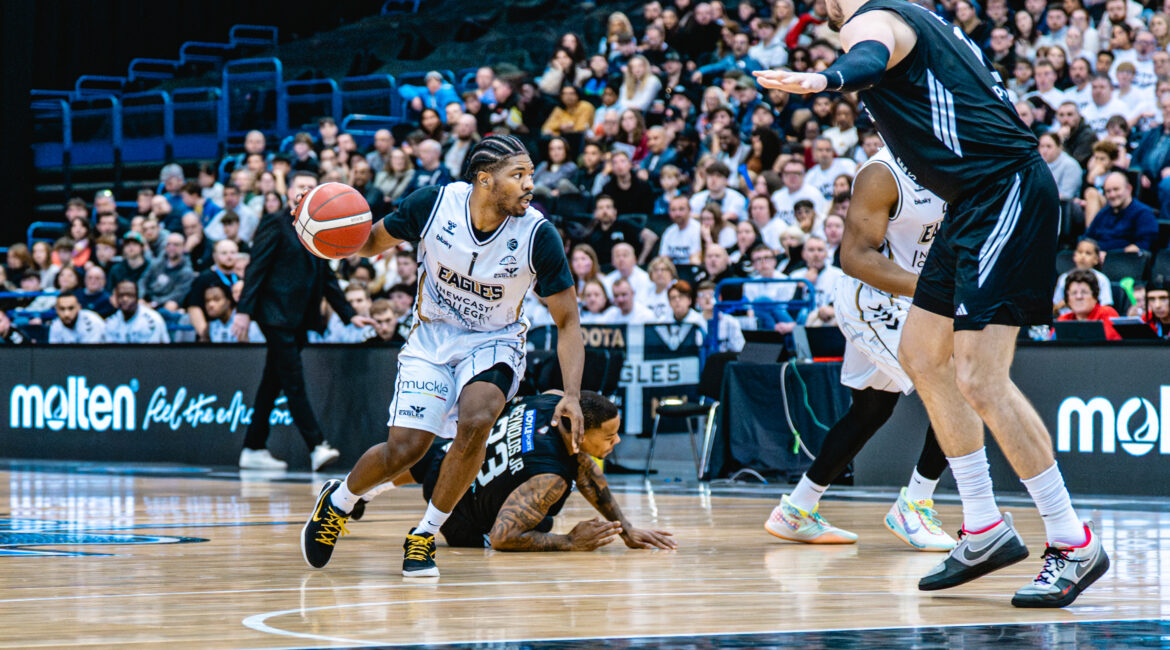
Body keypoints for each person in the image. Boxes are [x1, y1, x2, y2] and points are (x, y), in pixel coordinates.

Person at [755, 0, 1108, 607]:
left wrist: (825, 79)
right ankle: (982, 527)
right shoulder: (917, 15)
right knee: (922, 355)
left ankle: (1072, 541)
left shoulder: (872, 18)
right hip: (970, 203)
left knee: (980, 378)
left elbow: (868, 52)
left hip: (1004, 191)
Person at [299, 135, 585, 579]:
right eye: (519, 175)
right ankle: (339, 502)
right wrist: (320, 225)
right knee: (407, 450)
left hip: (495, 339)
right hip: (432, 335)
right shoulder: (433, 205)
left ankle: (425, 535)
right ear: (485, 180)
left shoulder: (538, 235)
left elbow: (568, 322)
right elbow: (370, 242)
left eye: (531, 174)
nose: (530, 184)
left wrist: (571, 394)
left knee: (477, 418)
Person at [766, 146, 954, 549]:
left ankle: (796, 510)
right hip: (875, 298)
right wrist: (934, 291)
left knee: (871, 409)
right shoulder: (882, 171)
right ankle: (914, 505)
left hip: (914, 298)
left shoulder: (950, 157)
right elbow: (853, 258)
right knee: (956, 391)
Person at [347, 391, 674, 552]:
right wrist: (569, 541)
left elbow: (584, 467)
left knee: (437, 459)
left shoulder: (554, 401)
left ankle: (361, 493)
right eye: (608, 436)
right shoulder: (550, 480)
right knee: (541, 522)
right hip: (459, 517)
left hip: (451, 460)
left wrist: (626, 529)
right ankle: (365, 494)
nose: (617, 440)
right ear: (578, 430)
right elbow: (505, 537)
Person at [233, 171, 375, 472]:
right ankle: (316, 445)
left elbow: (327, 280)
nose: (304, 191)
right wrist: (244, 310)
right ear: (289, 193)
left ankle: (253, 446)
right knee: (293, 381)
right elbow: (256, 267)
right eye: (300, 186)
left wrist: (350, 315)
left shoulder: (318, 229)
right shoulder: (276, 223)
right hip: (275, 315)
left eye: (311, 187)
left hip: (298, 319)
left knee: (272, 382)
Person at [1086, 172, 1159, 252]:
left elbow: (1144, 245)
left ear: (1129, 189)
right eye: (1108, 191)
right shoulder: (1102, 214)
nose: (1112, 195)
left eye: (1116, 189)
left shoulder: (1143, 214)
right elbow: (1087, 239)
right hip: (1096, 260)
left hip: (1125, 262)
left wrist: (1111, 257)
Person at [1054, 269, 1122, 339]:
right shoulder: (1063, 320)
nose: (1079, 297)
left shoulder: (1107, 313)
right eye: (1074, 293)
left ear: (1095, 296)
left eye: (1084, 292)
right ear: (1067, 299)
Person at [1053, 238, 1113, 314]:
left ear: (1096, 259)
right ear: (1074, 256)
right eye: (1080, 252)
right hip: (1066, 321)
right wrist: (1066, 302)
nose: (1083, 256)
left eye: (1088, 253)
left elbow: (1106, 306)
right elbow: (1054, 308)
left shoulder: (1102, 279)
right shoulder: (1063, 278)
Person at [139, 233, 196, 313]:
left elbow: (177, 295)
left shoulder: (187, 272)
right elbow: (143, 280)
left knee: (171, 305)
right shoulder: (156, 263)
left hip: (165, 304)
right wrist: (140, 297)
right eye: (168, 244)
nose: (171, 248)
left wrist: (155, 303)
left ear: (183, 247)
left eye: (176, 245)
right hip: (149, 298)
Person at [103, 281, 169, 344]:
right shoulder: (111, 322)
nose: (125, 299)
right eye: (121, 295)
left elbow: (153, 352)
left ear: (137, 297)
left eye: (129, 295)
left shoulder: (151, 320)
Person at [658, 195, 703, 265]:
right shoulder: (669, 232)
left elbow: (696, 260)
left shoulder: (699, 230)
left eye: (681, 209)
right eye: (673, 210)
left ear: (690, 210)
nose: (677, 214)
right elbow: (663, 259)